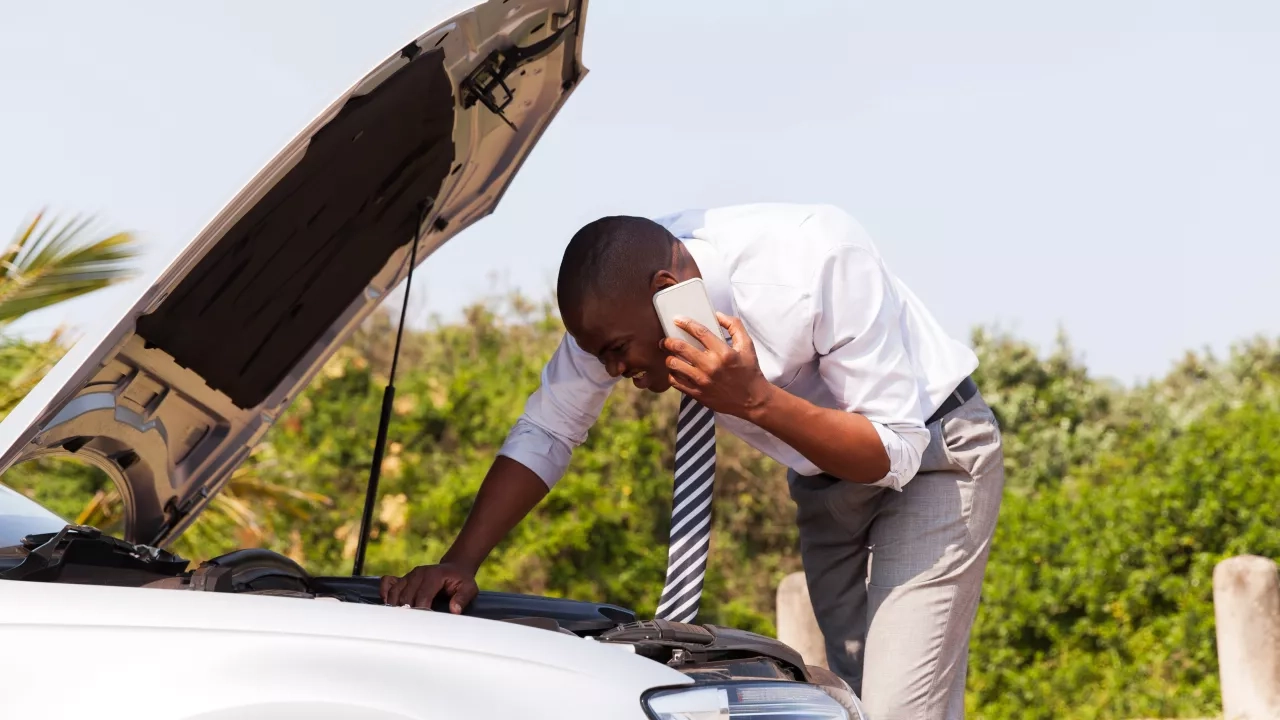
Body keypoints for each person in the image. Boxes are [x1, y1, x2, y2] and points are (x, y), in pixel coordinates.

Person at [381, 203, 1004, 719]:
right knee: (851, 706)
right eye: (598, 357)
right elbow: (548, 428)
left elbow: (894, 451)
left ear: (663, 294)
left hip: (935, 459)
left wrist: (756, 400)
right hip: (825, 487)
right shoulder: (614, 305)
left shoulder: (816, 260)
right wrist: (459, 561)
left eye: (618, 351)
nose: (613, 371)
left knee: (900, 711)